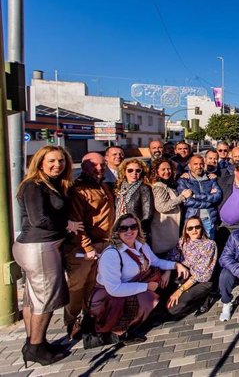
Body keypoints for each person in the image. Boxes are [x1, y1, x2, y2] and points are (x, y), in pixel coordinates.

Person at [13, 146, 80, 366]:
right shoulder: (34, 185)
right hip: (39, 247)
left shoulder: (49, 184)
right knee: (46, 299)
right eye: (51, 161)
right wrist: (67, 224)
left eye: (61, 161)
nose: (57, 165)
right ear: (40, 162)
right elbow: (38, 219)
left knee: (33, 298)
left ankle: (35, 342)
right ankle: (36, 348)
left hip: (41, 247)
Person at [90, 214, 189, 343]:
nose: (129, 231)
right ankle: (123, 331)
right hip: (109, 298)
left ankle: (149, 316)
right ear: (116, 231)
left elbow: (156, 261)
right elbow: (114, 289)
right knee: (147, 297)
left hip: (133, 285)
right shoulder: (111, 254)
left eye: (133, 227)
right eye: (124, 228)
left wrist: (176, 265)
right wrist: (146, 287)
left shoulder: (140, 245)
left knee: (167, 281)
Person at [65, 152, 115, 339]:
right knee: (77, 287)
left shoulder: (102, 185)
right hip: (83, 249)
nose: (100, 169)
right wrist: (87, 247)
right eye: (95, 166)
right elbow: (77, 222)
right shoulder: (79, 190)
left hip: (103, 244)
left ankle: (89, 320)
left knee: (94, 286)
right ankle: (71, 322)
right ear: (84, 167)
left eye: (102, 165)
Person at [166, 217, 218, 317]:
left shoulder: (209, 244)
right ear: (186, 230)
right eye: (190, 228)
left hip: (200, 281)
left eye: (197, 227)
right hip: (184, 278)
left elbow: (199, 274)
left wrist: (179, 291)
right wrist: (167, 272)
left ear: (201, 228)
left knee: (173, 309)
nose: (194, 230)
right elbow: (170, 256)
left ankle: (203, 299)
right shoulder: (182, 242)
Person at [149, 159, 192, 256]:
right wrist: (182, 197)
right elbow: (161, 207)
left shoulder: (169, 184)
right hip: (163, 231)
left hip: (170, 229)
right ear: (156, 171)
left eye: (169, 169)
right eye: (163, 169)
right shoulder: (159, 187)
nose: (167, 172)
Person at [178, 155, 222, 239]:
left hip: (209, 220)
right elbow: (187, 201)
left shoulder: (211, 179)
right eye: (195, 164)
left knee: (209, 246)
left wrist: (195, 196)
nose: (199, 166)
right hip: (192, 221)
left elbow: (217, 196)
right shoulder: (183, 181)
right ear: (189, 166)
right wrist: (209, 199)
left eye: (201, 164)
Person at [115, 158, 154, 235]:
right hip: (119, 228)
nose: (134, 173)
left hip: (135, 230)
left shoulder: (144, 188)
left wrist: (139, 231)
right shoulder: (119, 188)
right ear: (124, 172)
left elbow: (147, 214)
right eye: (130, 170)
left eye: (138, 170)